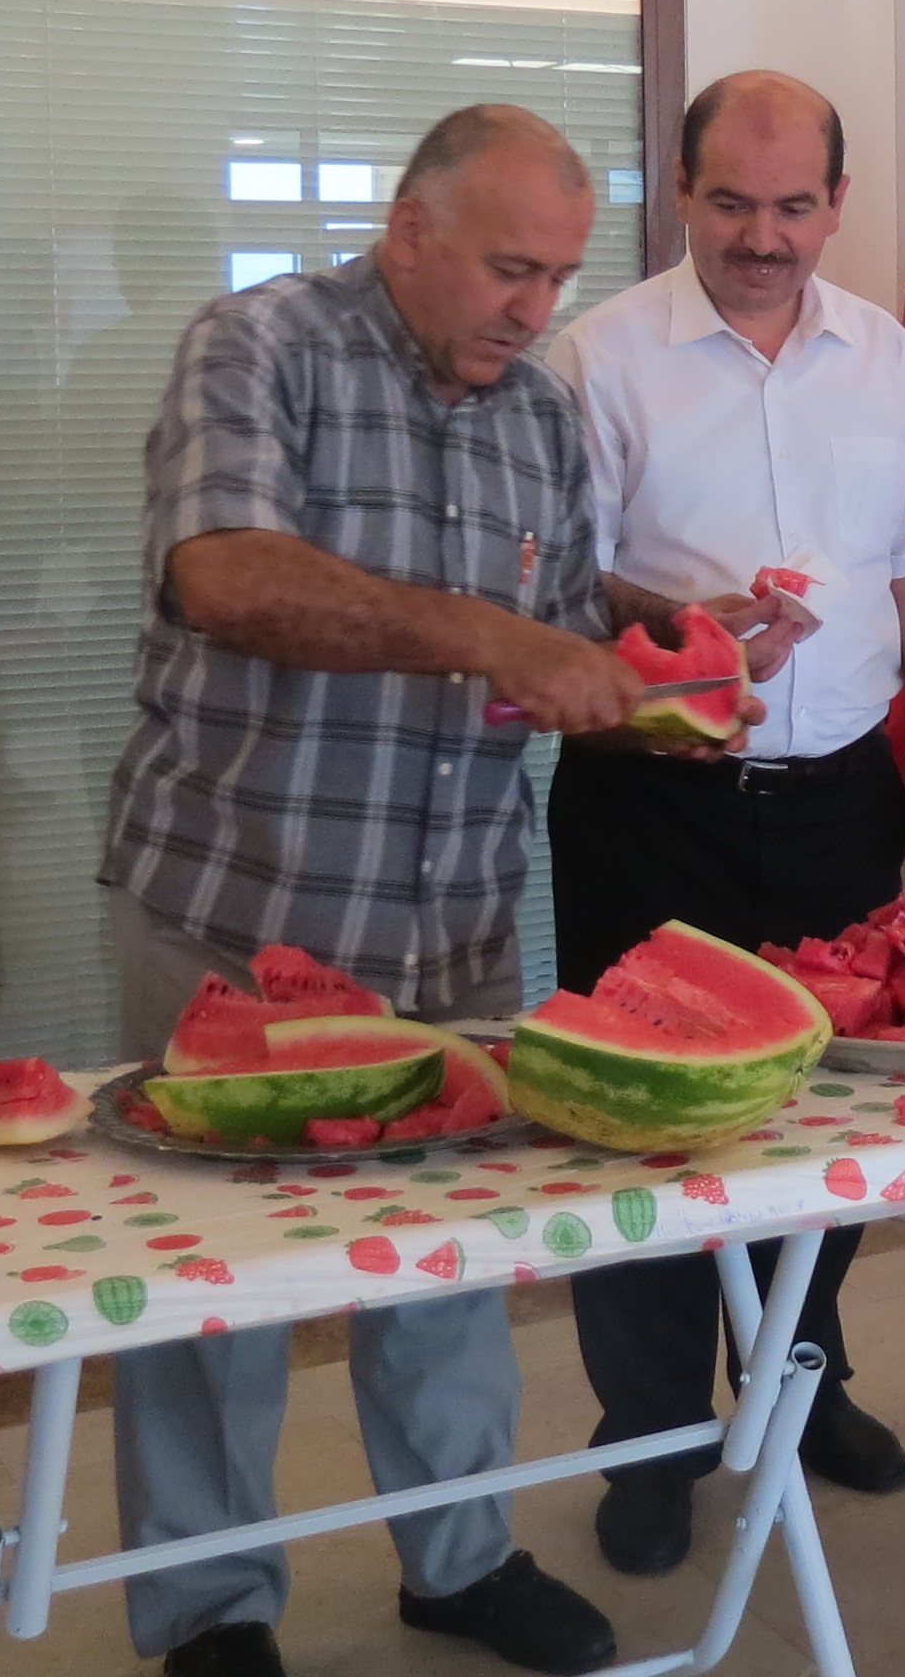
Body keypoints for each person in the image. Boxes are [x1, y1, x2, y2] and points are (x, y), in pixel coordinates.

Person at [97, 104, 631, 1677]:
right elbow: (227, 573)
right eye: (511, 269)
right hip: (239, 914)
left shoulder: (542, 413)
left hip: (454, 922)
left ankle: (460, 1561)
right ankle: (209, 1613)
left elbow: (563, 629)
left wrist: (681, 646)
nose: (536, 308)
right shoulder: (259, 344)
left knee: (451, 1272)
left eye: (561, 278)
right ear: (409, 229)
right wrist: (488, 633)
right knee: (218, 1292)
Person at [534, 71, 905, 1574]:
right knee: (642, 1129)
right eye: (731, 202)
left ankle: (802, 1382)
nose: (763, 236)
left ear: (837, 205)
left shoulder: (886, 354)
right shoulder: (601, 358)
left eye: (794, 206)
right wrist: (675, 627)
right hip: (648, 804)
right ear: (680, 190)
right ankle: (651, 1441)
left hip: (840, 801)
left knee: (828, 1116)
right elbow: (553, 585)